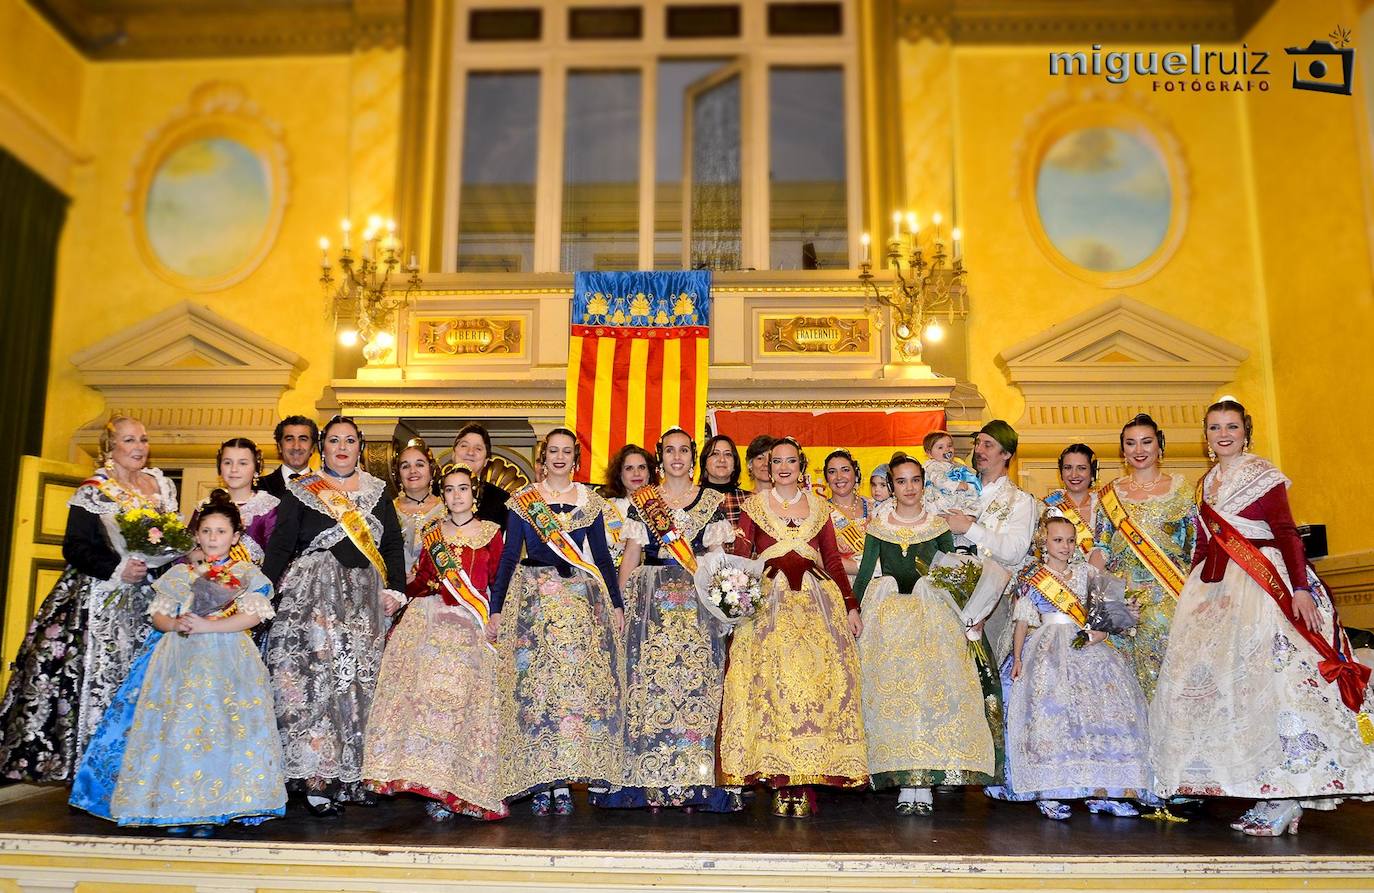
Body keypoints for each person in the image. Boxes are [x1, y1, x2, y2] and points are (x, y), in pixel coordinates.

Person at [1149, 400, 1374, 836]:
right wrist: (1193, 589)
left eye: (1231, 426)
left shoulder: (1264, 476)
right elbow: (1205, 544)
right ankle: (1260, 786)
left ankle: (1289, 795)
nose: (1223, 434)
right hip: (1217, 594)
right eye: (1214, 427)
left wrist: (1301, 590)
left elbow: (1287, 532)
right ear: (1206, 436)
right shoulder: (1206, 483)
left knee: (1276, 687)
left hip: (1264, 589)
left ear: (1245, 431)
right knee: (1231, 692)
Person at [69, 492, 285, 835]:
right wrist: (177, 624)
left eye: (221, 532)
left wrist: (210, 625)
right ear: (197, 535)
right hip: (179, 657)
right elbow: (159, 615)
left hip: (228, 659)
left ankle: (215, 806)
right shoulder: (180, 573)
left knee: (221, 729)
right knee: (178, 729)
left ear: (235, 537)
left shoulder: (247, 574)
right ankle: (176, 805)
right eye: (207, 531)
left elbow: (251, 617)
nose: (213, 538)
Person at [0, 415, 178, 783]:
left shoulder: (159, 485)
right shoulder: (95, 489)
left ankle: (138, 767)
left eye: (143, 440)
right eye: (129, 440)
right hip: (100, 596)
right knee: (97, 681)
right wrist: (118, 568)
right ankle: (91, 772)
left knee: (144, 680)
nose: (139, 447)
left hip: (149, 599)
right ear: (109, 448)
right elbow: (75, 547)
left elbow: (171, 541)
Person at [262, 415, 406, 815]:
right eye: (334, 440)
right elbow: (280, 546)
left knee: (360, 684)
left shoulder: (378, 491)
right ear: (322, 448)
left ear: (360, 447)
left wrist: (397, 589)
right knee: (318, 683)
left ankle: (355, 775)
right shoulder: (303, 491)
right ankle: (316, 778)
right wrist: (260, 592)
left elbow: (392, 545)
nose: (342, 447)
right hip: (315, 598)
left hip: (364, 600)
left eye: (350, 440)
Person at [722, 436, 867, 817]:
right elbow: (740, 559)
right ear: (767, 468)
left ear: (801, 466)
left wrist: (851, 605)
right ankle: (777, 779)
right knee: (772, 689)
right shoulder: (753, 507)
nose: (783, 467)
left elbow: (834, 562)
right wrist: (734, 606)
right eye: (776, 462)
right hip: (768, 608)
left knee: (811, 689)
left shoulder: (819, 509)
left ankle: (805, 781)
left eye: (790, 461)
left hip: (817, 606)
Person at [596, 428, 738, 813]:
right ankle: (648, 778)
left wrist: (727, 603)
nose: (677, 457)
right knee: (650, 685)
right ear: (661, 457)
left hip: (697, 602)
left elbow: (718, 556)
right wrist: (618, 603)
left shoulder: (711, 500)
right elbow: (630, 556)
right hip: (651, 600)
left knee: (697, 685)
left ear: (694, 458)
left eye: (684, 450)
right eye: (670, 450)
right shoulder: (644, 502)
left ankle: (694, 779)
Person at [487, 427, 625, 816]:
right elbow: (509, 556)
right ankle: (539, 780)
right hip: (534, 603)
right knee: (537, 690)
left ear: (575, 458)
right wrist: (495, 609)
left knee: (571, 694)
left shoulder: (591, 502)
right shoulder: (522, 502)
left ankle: (564, 780)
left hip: (580, 605)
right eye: (553, 451)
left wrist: (615, 602)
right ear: (542, 457)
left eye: (567, 451)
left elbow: (600, 556)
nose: (560, 458)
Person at [364, 465, 508, 822]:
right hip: (432, 621)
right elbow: (423, 581)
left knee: (463, 706)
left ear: (475, 494)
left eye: (463, 489)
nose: (456, 495)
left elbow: (500, 581)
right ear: (442, 495)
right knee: (427, 702)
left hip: (472, 625)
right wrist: (407, 590)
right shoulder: (432, 534)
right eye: (449, 489)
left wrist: (497, 615)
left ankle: (463, 787)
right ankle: (433, 785)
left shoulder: (491, 533)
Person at [855, 453, 996, 815]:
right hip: (888, 622)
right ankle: (904, 782)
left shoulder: (938, 525)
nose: (909, 488)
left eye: (915, 480)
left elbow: (952, 570)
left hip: (932, 619)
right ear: (891, 485)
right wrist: (851, 611)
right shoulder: (877, 525)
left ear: (923, 483)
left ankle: (927, 783)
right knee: (894, 699)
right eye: (900, 481)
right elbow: (865, 572)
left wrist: (969, 612)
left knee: (929, 698)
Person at [992, 516, 1153, 821]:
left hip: (1086, 646)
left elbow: (1106, 613)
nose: (1065, 546)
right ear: (1043, 543)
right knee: (1052, 712)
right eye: (1057, 540)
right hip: (1046, 647)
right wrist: (1018, 658)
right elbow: (1022, 623)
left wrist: (1103, 632)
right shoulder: (1034, 578)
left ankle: (1105, 790)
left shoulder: (1086, 573)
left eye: (1070, 540)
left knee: (1103, 711)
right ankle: (1050, 789)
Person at [1092, 413, 1197, 701]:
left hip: (1169, 596)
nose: (1139, 450)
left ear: (1159, 445)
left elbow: (1196, 548)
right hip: (1122, 598)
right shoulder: (1109, 495)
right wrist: (1089, 593)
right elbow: (1102, 547)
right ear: (1122, 450)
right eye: (1131, 443)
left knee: (1170, 678)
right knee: (1122, 680)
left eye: (1146, 442)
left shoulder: (1183, 491)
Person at [940, 420, 1037, 663]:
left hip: (993, 603)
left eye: (988, 445)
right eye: (978, 443)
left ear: (1006, 454)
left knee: (986, 675)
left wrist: (968, 528)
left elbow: (1014, 551)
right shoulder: (953, 488)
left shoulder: (1021, 500)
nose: (979, 450)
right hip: (947, 596)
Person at [392, 437, 446, 576]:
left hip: (436, 590)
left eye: (420, 465)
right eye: (405, 466)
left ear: (431, 470)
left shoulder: (446, 510)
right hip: (396, 589)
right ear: (398, 475)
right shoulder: (389, 510)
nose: (412, 471)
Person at [602, 444, 657, 565]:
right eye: (629, 468)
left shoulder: (662, 507)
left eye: (642, 467)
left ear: (650, 472)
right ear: (619, 474)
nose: (636, 473)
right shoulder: (605, 509)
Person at [823, 449, 873, 581]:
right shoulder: (820, 512)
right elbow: (820, 557)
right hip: (839, 584)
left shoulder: (876, 507)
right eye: (832, 472)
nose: (839, 477)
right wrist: (865, 568)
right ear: (826, 478)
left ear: (855, 474)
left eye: (845, 470)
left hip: (878, 582)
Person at [1041, 444, 1099, 558]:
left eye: (1081, 468)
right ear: (1061, 472)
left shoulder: (1104, 506)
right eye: (1068, 468)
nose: (1074, 474)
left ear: (1092, 472)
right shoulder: (1045, 507)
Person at [452, 423, 511, 527]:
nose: (470, 452)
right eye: (464, 445)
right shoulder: (434, 493)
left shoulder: (501, 500)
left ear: (486, 461)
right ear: (453, 453)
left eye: (478, 448)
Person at [700, 433, 750, 547]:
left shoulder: (750, 500)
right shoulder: (692, 498)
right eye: (715, 454)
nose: (722, 459)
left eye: (728, 454)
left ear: (735, 464)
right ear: (704, 463)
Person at [921, 430, 981, 516]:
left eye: (949, 445)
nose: (947, 449)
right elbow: (939, 480)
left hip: (953, 494)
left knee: (971, 496)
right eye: (940, 447)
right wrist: (956, 485)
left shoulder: (954, 463)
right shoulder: (933, 466)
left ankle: (969, 513)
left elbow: (965, 469)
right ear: (929, 453)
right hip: (940, 497)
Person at [259, 416, 318, 500]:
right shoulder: (258, 487)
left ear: (312, 448)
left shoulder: (327, 491)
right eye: (289, 439)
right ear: (279, 446)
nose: (296, 447)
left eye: (303, 439)